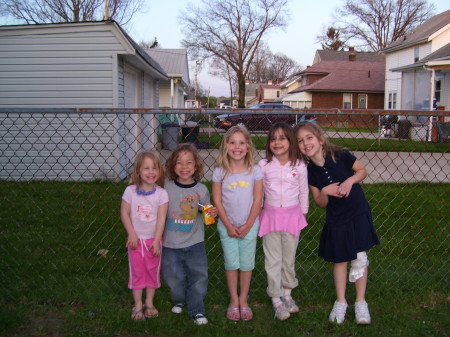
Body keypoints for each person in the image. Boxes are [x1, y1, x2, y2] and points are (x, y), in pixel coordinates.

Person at [295, 121, 380, 325]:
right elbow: (321, 203)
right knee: (340, 259)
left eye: (309, 138)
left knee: (360, 256)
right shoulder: (309, 171)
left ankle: (360, 302)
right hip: (337, 218)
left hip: (357, 212)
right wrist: (325, 191)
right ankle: (341, 300)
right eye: (300, 141)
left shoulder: (340, 154)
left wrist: (350, 180)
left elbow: (362, 171)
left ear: (320, 139)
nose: (306, 143)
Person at [258, 122, 309, 321]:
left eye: (282, 138)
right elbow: (259, 192)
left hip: (292, 218)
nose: (277, 142)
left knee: (288, 259)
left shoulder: (300, 166)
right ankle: (276, 299)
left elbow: (304, 192)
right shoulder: (263, 166)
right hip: (270, 218)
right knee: (273, 260)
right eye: (273, 139)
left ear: (290, 141)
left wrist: (302, 214)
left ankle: (287, 295)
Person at [162, 143, 217, 325]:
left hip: (194, 242)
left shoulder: (201, 190)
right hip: (170, 243)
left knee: (198, 275)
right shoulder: (166, 187)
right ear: (172, 166)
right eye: (179, 162)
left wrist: (210, 213)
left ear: (196, 167)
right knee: (173, 276)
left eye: (189, 162)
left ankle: (196, 308)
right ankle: (179, 299)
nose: (184, 167)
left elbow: (208, 218)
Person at [212, 125, 263, 322]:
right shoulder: (219, 172)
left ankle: (244, 299)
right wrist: (228, 224)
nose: (237, 147)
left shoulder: (255, 171)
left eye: (242, 142)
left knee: (247, 264)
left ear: (248, 146)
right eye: (232, 142)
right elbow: (217, 200)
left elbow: (258, 200)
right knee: (232, 264)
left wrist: (248, 225)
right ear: (225, 146)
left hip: (249, 226)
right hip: (227, 227)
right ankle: (234, 300)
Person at [121, 150, 169, 321]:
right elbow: (124, 213)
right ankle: (138, 304)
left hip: (152, 241)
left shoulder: (161, 194)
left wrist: (157, 240)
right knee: (137, 271)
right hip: (135, 241)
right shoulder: (130, 191)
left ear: (159, 171)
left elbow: (162, 217)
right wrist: (131, 234)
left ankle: (149, 302)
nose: (150, 172)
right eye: (146, 168)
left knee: (151, 271)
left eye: (154, 168)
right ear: (138, 172)